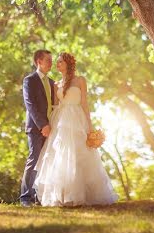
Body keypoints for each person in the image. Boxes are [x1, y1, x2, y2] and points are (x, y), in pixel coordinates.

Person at [33, 52, 118, 206]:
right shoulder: (56, 84)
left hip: (78, 119)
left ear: (68, 64)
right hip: (61, 121)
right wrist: (50, 125)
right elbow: (54, 106)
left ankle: (84, 195)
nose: (56, 65)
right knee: (61, 155)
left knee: (81, 154)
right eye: (56, 62)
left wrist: (89, 124)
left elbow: (84, 103)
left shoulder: (80, 80)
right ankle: (63, 195)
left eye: (59, 62)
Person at [19, 49, 56, 207]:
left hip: (52, 129)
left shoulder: (52, 82)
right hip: (36, 128)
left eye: (51, 60)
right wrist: (43, 125)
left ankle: (39, 196)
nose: (51, 63)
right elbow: (31, 105)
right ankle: (26, 198)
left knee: (47, 162)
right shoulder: (30, 80)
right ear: (38, 61)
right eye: (48, 60)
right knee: (34, 159)